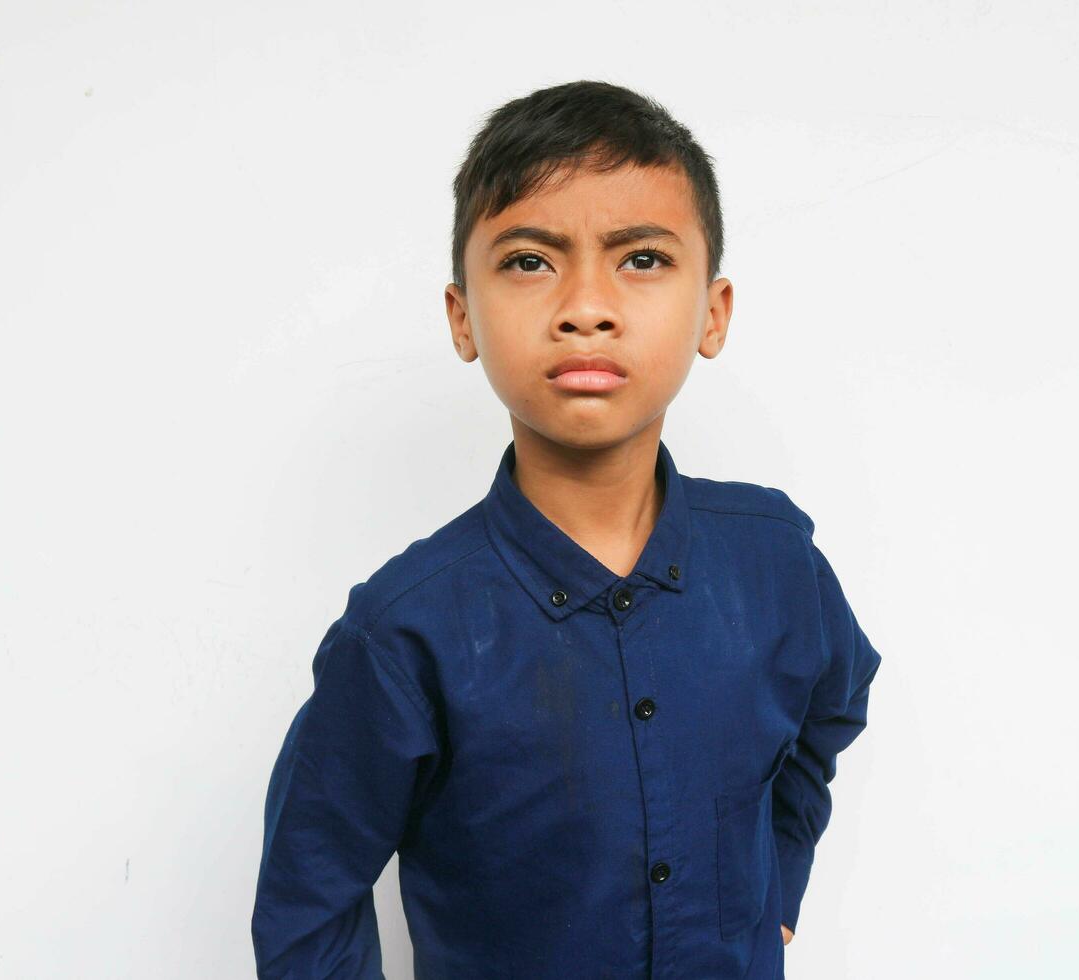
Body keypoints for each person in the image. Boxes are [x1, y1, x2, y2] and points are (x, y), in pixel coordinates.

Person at [251, 78, 883, 979]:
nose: (586, 305)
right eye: (529, 261)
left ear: (714, 312)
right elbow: (309, 900)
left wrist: (777, 881)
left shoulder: (776, 561)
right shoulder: (404, 634)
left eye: (642, 259)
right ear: (463, 317)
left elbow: (828, 715)